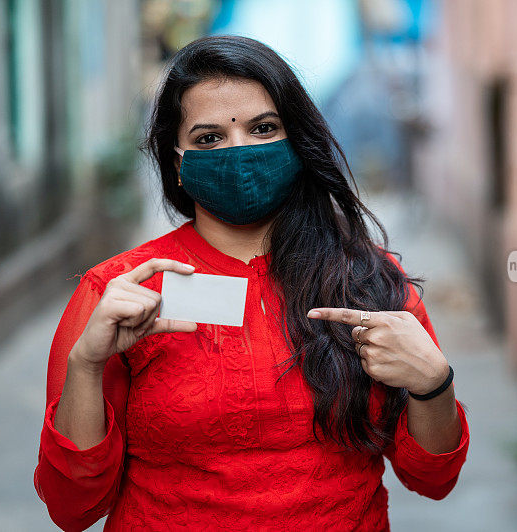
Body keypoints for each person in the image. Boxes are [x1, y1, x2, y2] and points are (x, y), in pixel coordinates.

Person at [33, 35, 469, 531]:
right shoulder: (120, 292)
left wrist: (433, 383)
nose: (239, 152)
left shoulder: (367, 284)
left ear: (299, 144)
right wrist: (86, 366)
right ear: (177, 164)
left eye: (263, 128)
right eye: (209, 138)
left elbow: (435, 479)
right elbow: (73, 508)